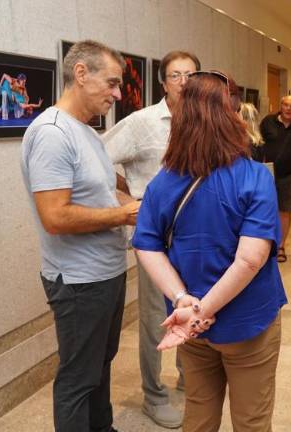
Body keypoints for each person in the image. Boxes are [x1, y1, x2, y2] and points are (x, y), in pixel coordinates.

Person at [132, 70, 287, 432]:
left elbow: (146, 245)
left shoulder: (164, 181)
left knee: (199, 414)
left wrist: (184, 301)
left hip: (189, 324)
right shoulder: (254, 177)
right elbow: (250, 259)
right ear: (231, 114)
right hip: (247, 321)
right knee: (251, 420)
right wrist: (203, 311)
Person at [20, 40, 139, 432]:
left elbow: (104, 191)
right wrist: (125, 214)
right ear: (81, 74)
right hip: (78, 281)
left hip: (106, 273)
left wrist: (139, 205)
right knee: (78, 378)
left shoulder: (86, 131)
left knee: (100, 365)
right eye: (112, 83)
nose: (118, 95)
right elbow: (55, 216)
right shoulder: (52, 133)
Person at [102, 49, 201, 429]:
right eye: (176, 75)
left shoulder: (201, 121)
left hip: (194, 234)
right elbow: (97, 159)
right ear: (163, 83)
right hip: (155, 239)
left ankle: (187, 375)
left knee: (191, 306)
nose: (184, 82)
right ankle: (153, 394)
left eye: (190, 75)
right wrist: (129, 198)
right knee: (155, 318)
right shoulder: (142, 123)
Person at [259, 95, 291, 263]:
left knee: (285, 211)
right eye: (286, 105)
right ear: (281, 106)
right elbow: (258, 144)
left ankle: (281, 246)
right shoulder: (268, 122)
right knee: (264, 209)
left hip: (289, 176)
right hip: (267, 174)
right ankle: (264, 245)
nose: (288, 108)